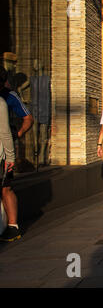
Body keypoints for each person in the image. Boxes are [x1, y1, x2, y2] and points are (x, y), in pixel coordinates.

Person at [0, 66, 33, 242]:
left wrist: (18, 134)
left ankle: (13, 226)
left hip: (4, 150)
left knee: (6, 187)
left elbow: (28, 118)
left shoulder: (9, 97)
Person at [0, 96, 17, 241]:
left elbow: (5, 132)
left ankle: (12, 225)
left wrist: (10, 157)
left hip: (1, 156)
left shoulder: (2, 102)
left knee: (6, 188)